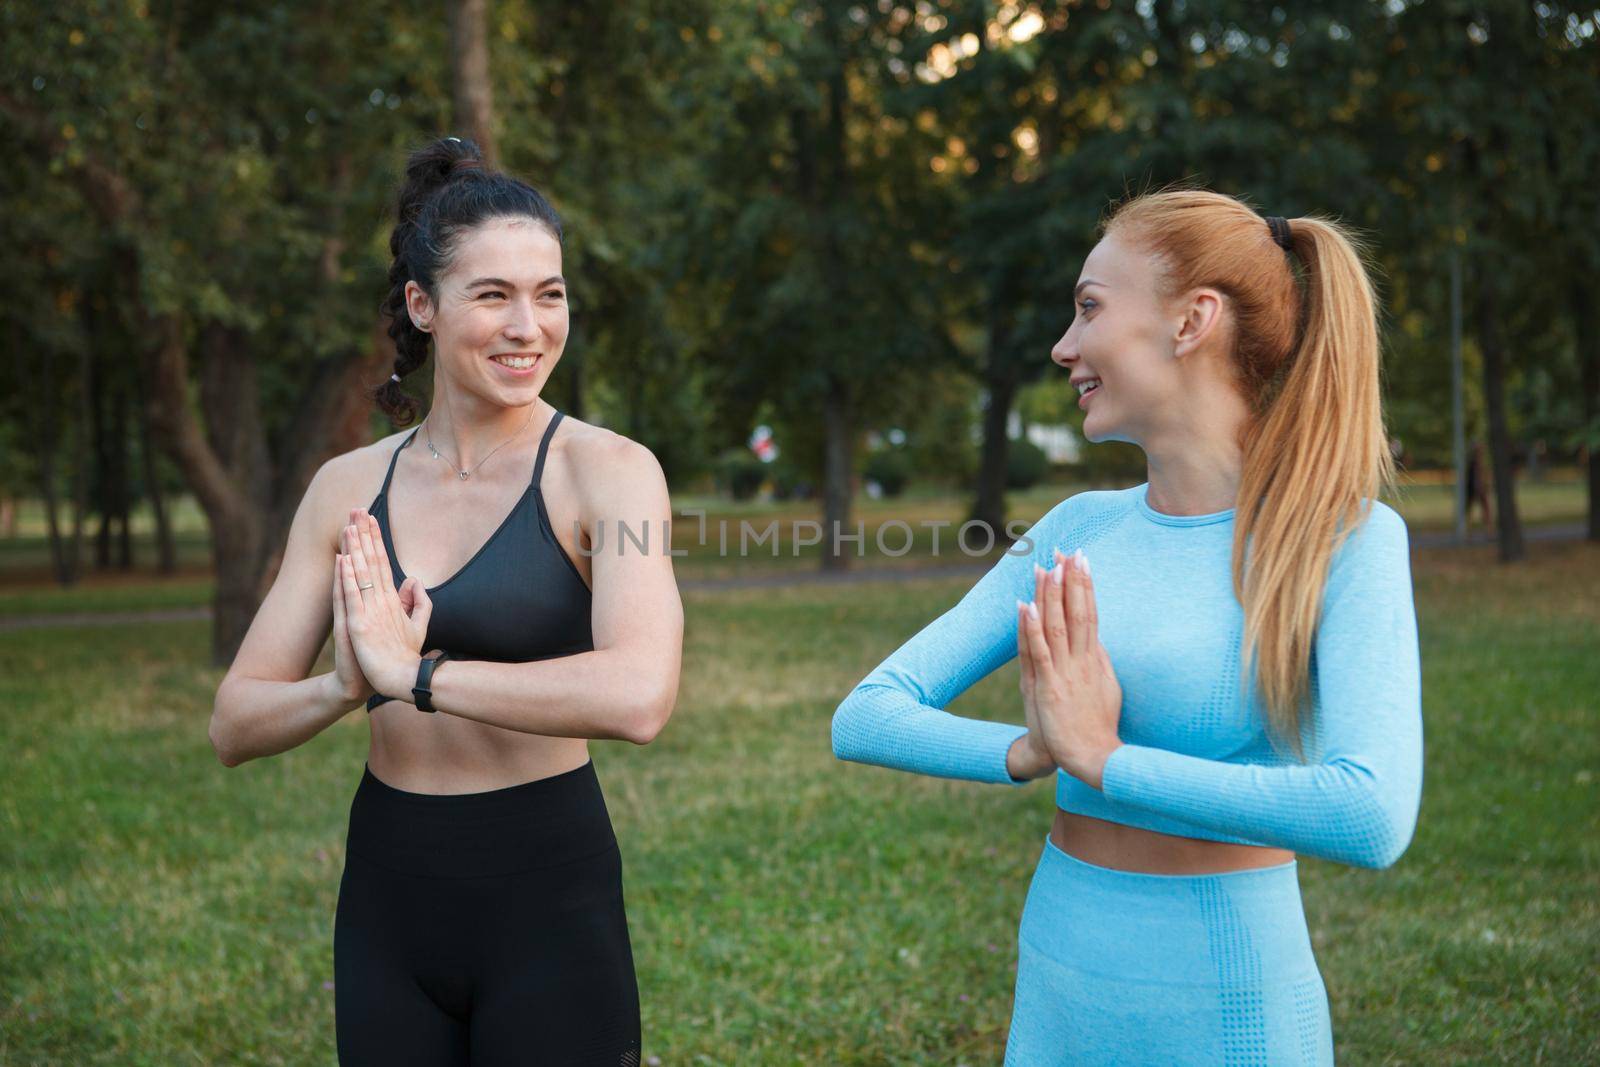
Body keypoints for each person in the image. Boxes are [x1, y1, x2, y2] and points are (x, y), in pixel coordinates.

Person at [832, 189, 1423, 1065]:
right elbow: (867, 713)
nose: (1063, 346)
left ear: (1192, 322)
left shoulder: (1345, 539)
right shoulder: (1078, 529)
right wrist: (1035, 750)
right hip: (1062, 983)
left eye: (1089, 307)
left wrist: (1107, 761)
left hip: (1229, 1006)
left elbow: (1372, 812)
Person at [209, 136, 683, 1066]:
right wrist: (345, 686)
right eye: (493, 295)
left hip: (547, 888)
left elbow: (640, 694)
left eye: (549, 294)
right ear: (422, 306)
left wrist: (420, 676)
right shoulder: (344, 486)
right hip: (390, 884)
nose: (529, 325)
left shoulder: (612, 474)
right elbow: (234, 721)